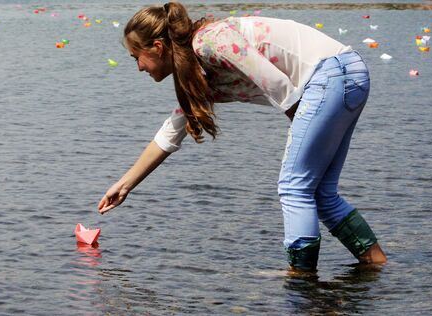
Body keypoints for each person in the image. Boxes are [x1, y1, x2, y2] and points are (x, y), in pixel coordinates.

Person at [97, 1, 387, 271]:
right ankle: (377, 266)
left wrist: (300, 131)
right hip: (346, 75)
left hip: (332, 74)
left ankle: (302, 282)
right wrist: (125, 185)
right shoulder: (196, 72)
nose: (138, 67)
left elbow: (276, 82)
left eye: (137, 58)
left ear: (158, 47)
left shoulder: (210, 41)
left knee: (294, 187)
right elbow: (169, 134)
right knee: (321, 194)